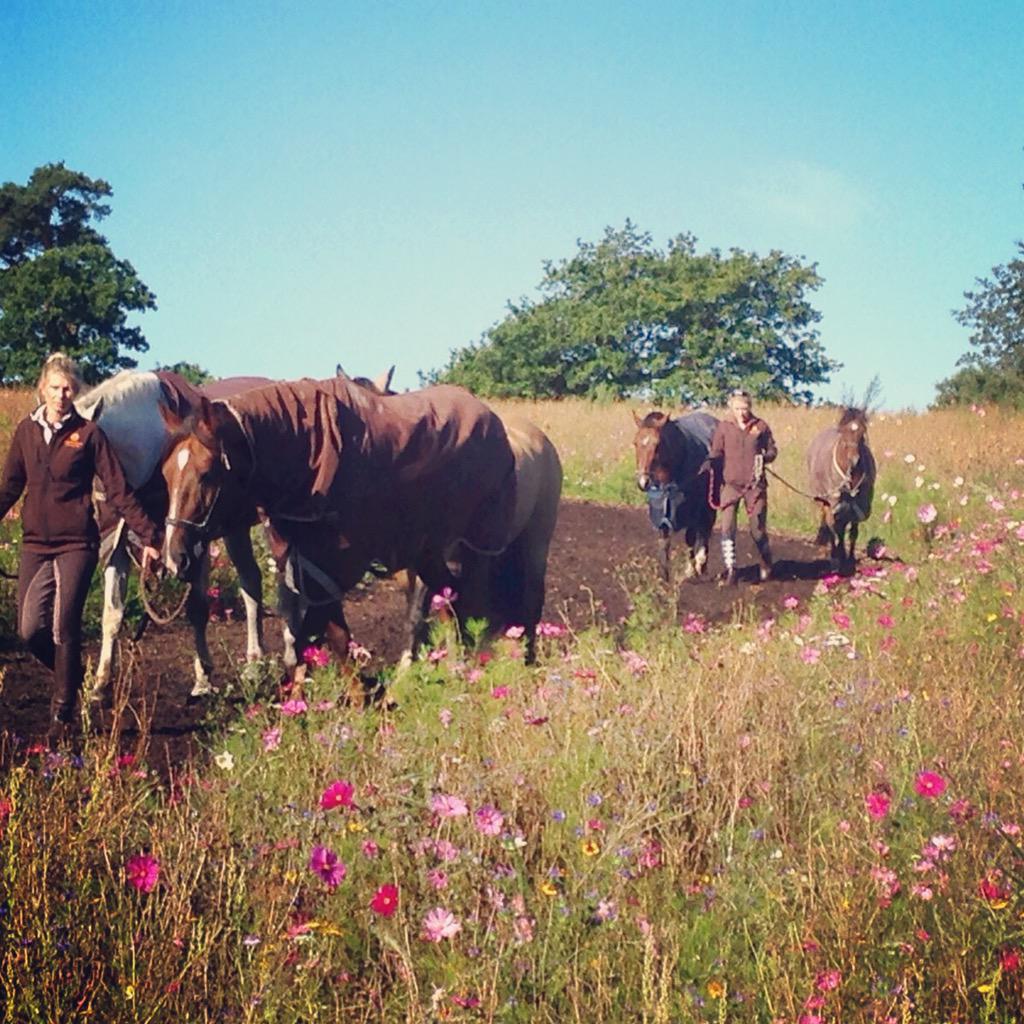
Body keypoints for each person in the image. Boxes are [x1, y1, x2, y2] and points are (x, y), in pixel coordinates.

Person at [0, 353, 162, 739]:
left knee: (62, 625)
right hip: (36, 544)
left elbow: (119, 490)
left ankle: (62, 715)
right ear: (42, 388)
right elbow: (9, 486)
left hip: (77, 543)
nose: (61, 394)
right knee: (28, 630)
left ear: (76, 392)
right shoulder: (25, 432)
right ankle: (71, 675)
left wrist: (151, 537)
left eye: (68, 388)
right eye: (55, 388)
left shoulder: (88, 435)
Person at [705, 388, 778, 585]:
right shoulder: (724, 427)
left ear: (750, 407)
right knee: (727, 527)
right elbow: (717, 451)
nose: (741, 412)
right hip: (731, 486)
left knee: (757, 530)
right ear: (731, 407)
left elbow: (772, 449)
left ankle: (765, 561)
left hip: (755, 486)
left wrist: (765, 456)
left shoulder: (761, 426)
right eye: (737, 408)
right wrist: (709, 462)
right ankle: (731, 569)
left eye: (745, 408)